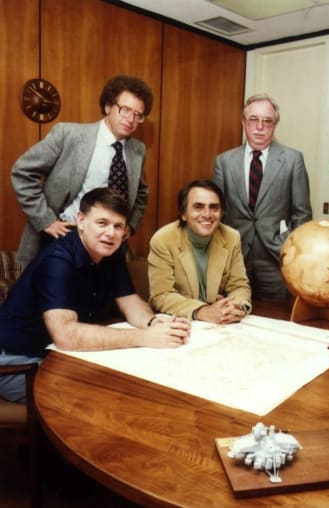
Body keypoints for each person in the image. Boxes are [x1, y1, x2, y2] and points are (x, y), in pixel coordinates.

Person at [0, 188, 190, 403]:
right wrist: (144, 337)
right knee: (106, 396)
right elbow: (66, 335)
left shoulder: (110, 252)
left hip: (58, 356)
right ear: (80, 221)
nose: (111, 233)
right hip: (17, 363)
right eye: (102, 223)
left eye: (118, 226)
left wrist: (154, 323)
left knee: (144, 379)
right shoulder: (56, 260)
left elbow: (129, 301)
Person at [11, 74, 154, 268]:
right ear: (108, 107)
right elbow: (22, 172)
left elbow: (141, 193)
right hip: (63, 238)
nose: (131, 119)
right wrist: (46, 220)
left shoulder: (138, 150)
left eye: (138, 115)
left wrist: (131, 224)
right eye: (125, 110)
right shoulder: (68, 134)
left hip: (107, 247)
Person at [212, 93, 312, 301]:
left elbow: (302, 214)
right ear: (243, 123)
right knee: (235, 318)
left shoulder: (293, 160)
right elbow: (216, 213)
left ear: (275, 125)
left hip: (276, 259)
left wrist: (288, 249)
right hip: (235, 258)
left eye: (267, 121)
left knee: (276, 319)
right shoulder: (224, 162)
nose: (260, 127)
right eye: (253, 120)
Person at [148, 179, 251, 324]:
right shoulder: (163, 239)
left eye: (214, 208)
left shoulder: (231, 237)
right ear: (183, 214)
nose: (207, 214)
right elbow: (161, 295)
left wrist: (236, 307)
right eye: (198, 207)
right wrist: (203, 311)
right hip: (182, 321)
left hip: (220, 322)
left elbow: (239, 286)